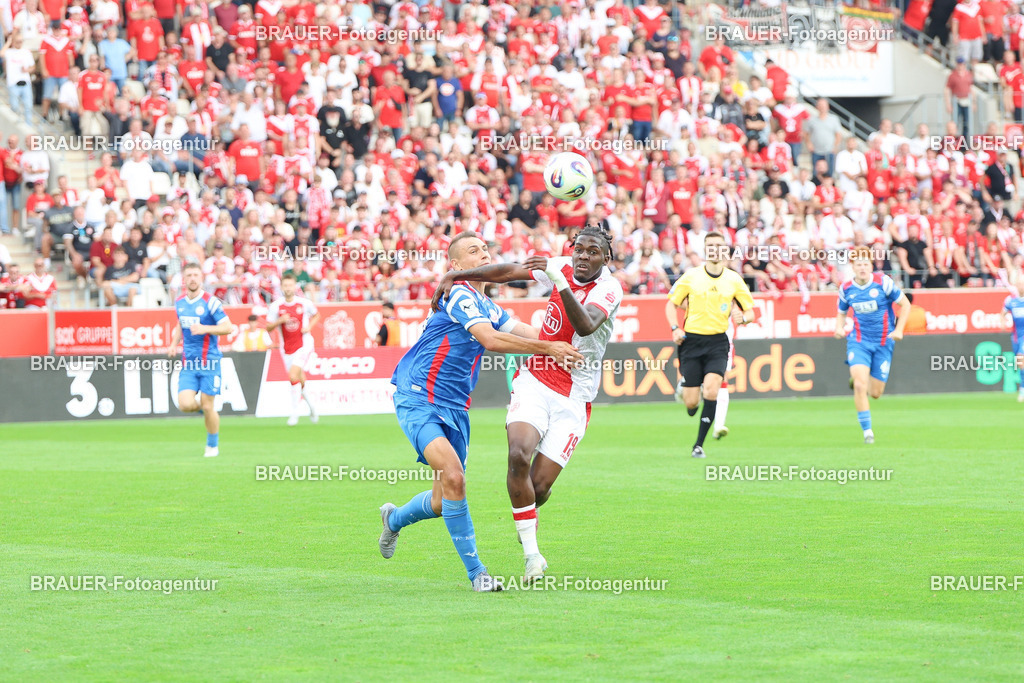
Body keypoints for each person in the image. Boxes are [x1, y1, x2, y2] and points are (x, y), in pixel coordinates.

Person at [380, 232, 583, 592]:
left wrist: (574, 343)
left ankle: (394, 518)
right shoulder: (458, 293)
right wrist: (549, 347)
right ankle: (478, 574)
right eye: (474, 251)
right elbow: (491, 340)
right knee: (455, 477)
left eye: (486, 249)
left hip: (456, 406)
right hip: (418, 397)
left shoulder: (487, 303)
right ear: (456, 266)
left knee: (443, 500)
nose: (484, 254)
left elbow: (526, 331)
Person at [430, 224, 623, 582]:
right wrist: (458, 273)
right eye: (578, 249)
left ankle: (527, 523)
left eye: (592, 252)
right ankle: (532, 556)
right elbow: (506, 272)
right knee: (518, 453)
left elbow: (585, 326)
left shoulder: (609, 289)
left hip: (576, 396)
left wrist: (558, 281)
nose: (583, 257)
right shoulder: (560, 265)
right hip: (536, 379)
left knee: (539, 486)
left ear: (606, 258)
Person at [665, 231, 756, 459]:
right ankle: (685, 391)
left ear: (725, 250)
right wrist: (675, 328)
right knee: (691, 404)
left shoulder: (733, 279)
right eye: (711, 245)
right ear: (706, 250)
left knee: (713, 388)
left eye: (719, 245)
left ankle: (699, 445)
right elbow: (670, 304)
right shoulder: (691, 276)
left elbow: (751, 311)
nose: (715, 249)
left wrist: (743, 318)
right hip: (692, 342)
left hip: (718, 342)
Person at [833, 247, 912, 444]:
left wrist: (899, 330)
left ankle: (859, 376)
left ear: (871, 265)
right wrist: (839, 328)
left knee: (875, 393)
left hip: (884, 342)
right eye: (858, 264)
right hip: (859, 341)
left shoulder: (883, 283)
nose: (862, 267)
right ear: (852, 267)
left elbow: (906, 304)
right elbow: (842, 312)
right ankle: (867, 432)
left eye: (866, 264)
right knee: (860, 386)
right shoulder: (846, 289)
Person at [167, 262, 233, 458]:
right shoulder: (179, 302)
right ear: (184, 279)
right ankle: (206, 411)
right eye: (189, 275)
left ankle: (212, 445)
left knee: (207, 405)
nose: (193, 278)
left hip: (210, 362)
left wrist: (205, 328)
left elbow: (228, 327)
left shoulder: (211, 302)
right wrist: (173, 343)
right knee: (185, 404)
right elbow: (180, 324)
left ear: (201, 278)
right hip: (189, 363)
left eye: (196, 275)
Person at [265, 272, 320, 426]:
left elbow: (317, 315)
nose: (288, 288)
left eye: (290, 285)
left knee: (292, 376)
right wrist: (279, 321)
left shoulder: (303, 303)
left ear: (295, 286)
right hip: (286, 348)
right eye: (285, 286)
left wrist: (309, 326)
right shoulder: (276, 306)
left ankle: (294, 413)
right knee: (299, 378)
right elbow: (268, 326)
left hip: (304, 344)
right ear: (281, 287)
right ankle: (313, 407)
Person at [1003, 275, 1024, 402]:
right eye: (1020, 284)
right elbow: (1002, 313)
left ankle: (1022, 389)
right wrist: (1002, 323)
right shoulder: (1011, 301)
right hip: (1016, 337)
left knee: (1021, 358)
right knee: (1020, 363)